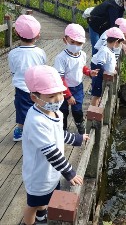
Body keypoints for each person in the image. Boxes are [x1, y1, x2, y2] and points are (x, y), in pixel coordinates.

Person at [22, 65, 89, 225]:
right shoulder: (36, 121)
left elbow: (59, 133)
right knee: (34, 205)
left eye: (60, 92)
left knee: (46, 200)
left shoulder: (56, 112)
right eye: (51, 96)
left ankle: (41, 218)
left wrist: (77, 139)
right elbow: (51, 151)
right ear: (34, 97)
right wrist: (69, 172)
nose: (59, 99)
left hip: (52, 172)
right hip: (39, 175)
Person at [54, 23, 98, 133]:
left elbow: (81, 67)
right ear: (65, 40)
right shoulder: (61, 58)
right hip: (63, 89)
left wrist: (89, 72)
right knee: (63, 110)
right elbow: (60, 78)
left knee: (77, 109)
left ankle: (79, 123)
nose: (75, 45)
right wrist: (68, 96)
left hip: (78, 87)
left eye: (79, 43)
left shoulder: (82, 54)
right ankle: (62, 128)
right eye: (72, 42)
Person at [8, 14, 46, 141]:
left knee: (21, 109)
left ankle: (20, 130)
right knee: (37, 108)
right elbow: (42, 68)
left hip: (21, 87)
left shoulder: (13, 53)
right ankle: (36, 130)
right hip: (37, 88)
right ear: (38, 35)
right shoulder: (40, 52)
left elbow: (13, 71)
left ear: (16, 33)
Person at [91, 27, 125, 106]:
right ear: (116, 41)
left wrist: (113, 69)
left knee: (100, 95)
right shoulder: (105, 50)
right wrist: (107, 73)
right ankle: (94, 110)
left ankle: (96, 107)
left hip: (104, 78)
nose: (120, 46)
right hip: (99, 77)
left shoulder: (110, 50)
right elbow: (99, 65)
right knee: (97, 95)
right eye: (120, 43)